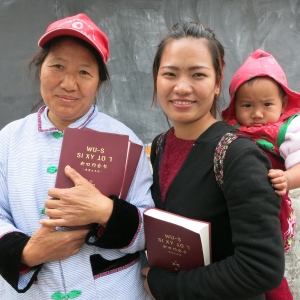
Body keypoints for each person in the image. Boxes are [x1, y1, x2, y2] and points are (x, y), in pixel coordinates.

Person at [0, 13, 154, 299]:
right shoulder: (8, 140)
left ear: (99, 82)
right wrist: (26, 252)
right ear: (40, 68)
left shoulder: (125, 141)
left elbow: (151, 231)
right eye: (57, 66)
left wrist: (105, 212)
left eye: (84, 72)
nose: (69, 84)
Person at [141, 22, 285, 300]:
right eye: (169, 73)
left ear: (218, 82)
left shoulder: (238, 156)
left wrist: (167, 286)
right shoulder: (160, 144)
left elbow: (262, 268)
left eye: (198, 74)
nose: (182, 87)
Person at [222, 49, 300, 300]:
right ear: (235, 106)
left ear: (283, 104)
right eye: (247, 105)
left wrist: (286, 179)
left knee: (266, 264)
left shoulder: (287, 130)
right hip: (238, 206)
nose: (256, 114)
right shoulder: (230, 130)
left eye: (267, 105)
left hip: (271, 206)